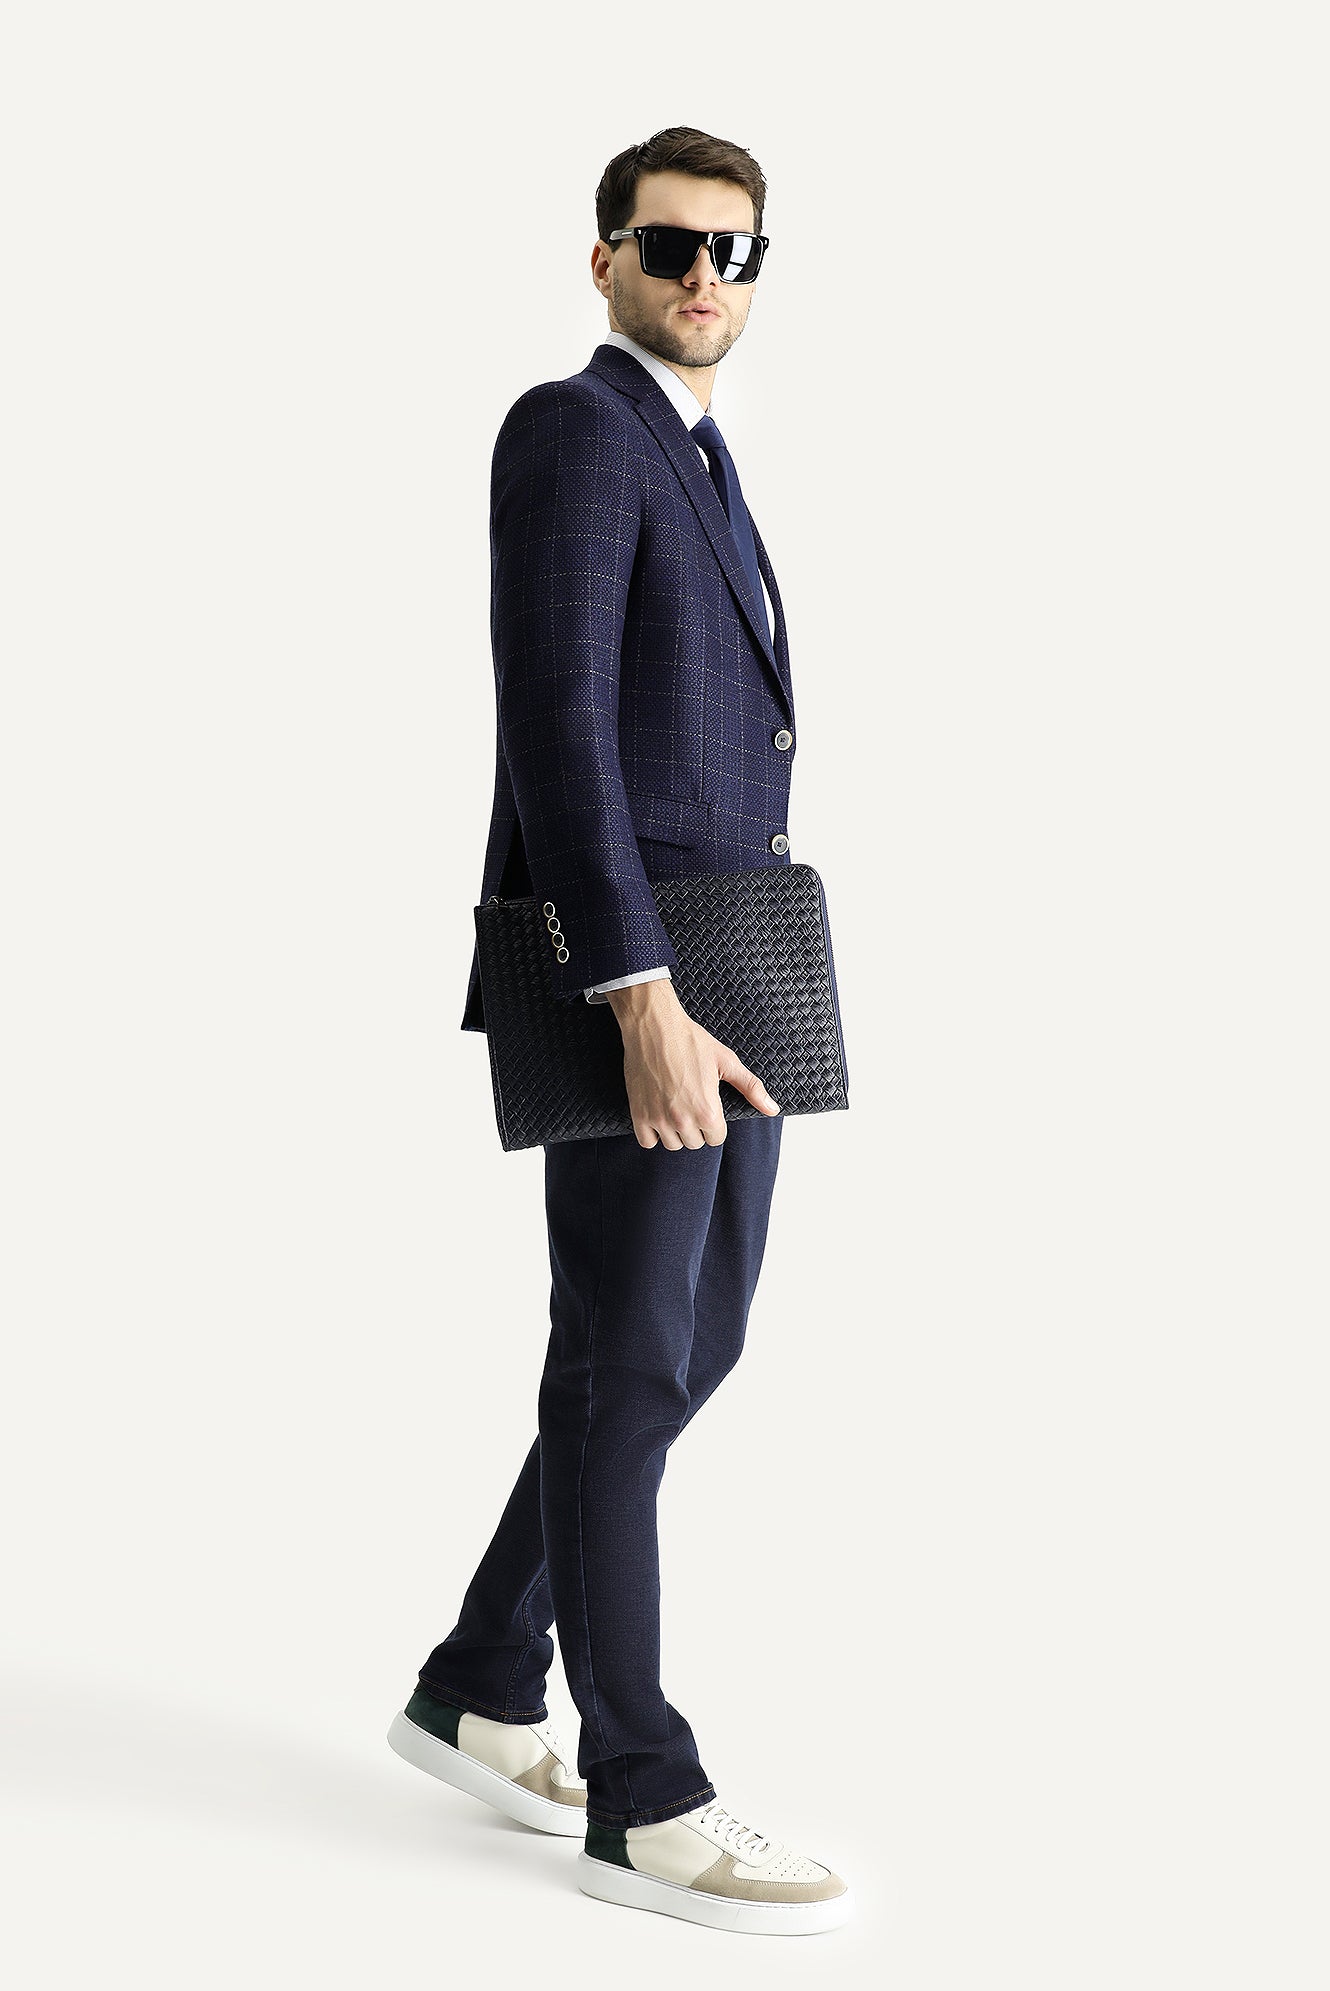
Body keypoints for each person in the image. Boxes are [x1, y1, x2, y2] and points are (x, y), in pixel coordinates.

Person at [387, 126, 852, 1936]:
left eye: (735, 251)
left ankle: (482, 1680)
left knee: (678, 1346)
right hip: (643, 963)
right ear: (605, 261)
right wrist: (633, 994)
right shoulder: (577, 430)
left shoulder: (699, 454)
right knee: (626, 1360)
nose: (704, 277)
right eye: (670, 246)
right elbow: (557, 726)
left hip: (738, 949)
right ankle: (644, 1796)